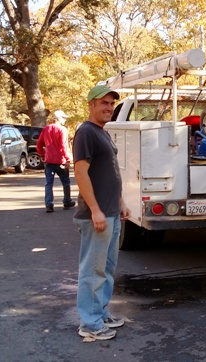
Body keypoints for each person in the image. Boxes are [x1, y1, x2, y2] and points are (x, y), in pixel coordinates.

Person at [73, 85, 130, 340]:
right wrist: (95, 210)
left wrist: (120, 201)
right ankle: (89, 323)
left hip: (111, 212)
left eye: (111, 103)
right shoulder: (86, 132)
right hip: (96, 215)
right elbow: (81, 173)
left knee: (106, 269)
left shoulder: (102, 132)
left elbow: (110, 172)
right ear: (91, 105)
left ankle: (100, 312)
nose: (108, 107)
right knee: (92, 270)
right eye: (103, 103)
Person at [36, 110, 75, 213]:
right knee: (65, 182)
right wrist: (67, 159)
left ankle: (49, 204)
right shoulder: (62, 130)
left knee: (49, 183)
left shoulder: (46, 129)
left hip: (48, 160)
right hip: (60, 160)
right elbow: (63, 146)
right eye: (63, 118)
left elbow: (39, 144)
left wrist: (42, 155)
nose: (65, 120)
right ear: (58, 118)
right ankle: (67, 201)